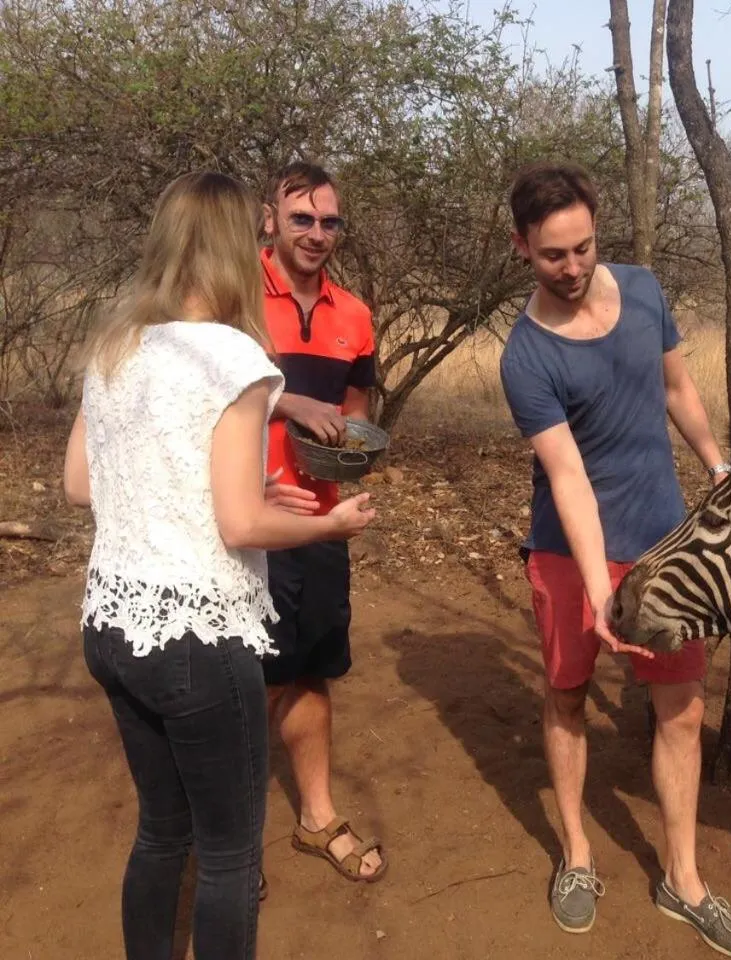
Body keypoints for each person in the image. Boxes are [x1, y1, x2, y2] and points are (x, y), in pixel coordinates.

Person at [64, 170, 375, 959]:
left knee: (162, 832)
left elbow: (79, 484)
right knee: (232, 855)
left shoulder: (117, 343)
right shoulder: (235, 355)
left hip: (110, 628)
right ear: (242, 243)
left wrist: (209, 484)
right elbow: (241, 523)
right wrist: (331, 523)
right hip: (197, 639)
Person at [499, 161, 731, 958]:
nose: (572, 269)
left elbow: (676, 389)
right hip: (567, 553)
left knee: (680, 710)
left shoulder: (643, 288)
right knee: (569, 696)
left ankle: (683, 877)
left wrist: (717, 468)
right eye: (553, 256)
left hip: (665, 541)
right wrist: (598, 588)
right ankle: (577, 855)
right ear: (522, 249)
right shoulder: (526, 356)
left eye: (582, 248)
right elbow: (568, 476)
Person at [257, 161, 386, 883]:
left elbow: (354, 408)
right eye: (301, 218)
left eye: (328, 221)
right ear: (268, 218)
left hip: (324, 523)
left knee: (312, 662)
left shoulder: (355, 313)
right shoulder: (232, 295)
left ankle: (315, 817)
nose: (316, 233)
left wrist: (349, 481)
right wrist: (282, 407)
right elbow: (203, 397)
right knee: (248, 676)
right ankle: (228, 837)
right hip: (251, 523)